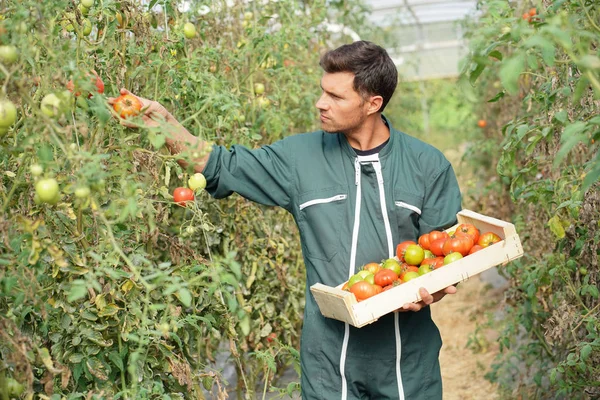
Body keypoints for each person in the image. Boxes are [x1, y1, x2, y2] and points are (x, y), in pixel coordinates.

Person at [109, 40, 462, 400]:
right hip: (328, 356)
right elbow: (221, 165)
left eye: (336, 97)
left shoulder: (427, 166)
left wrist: (432, 289)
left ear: (373, 104)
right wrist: (164, 124)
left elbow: (445, 253)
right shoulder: (299, 158)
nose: (320, 103)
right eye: (322, 91)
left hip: (405, 357)